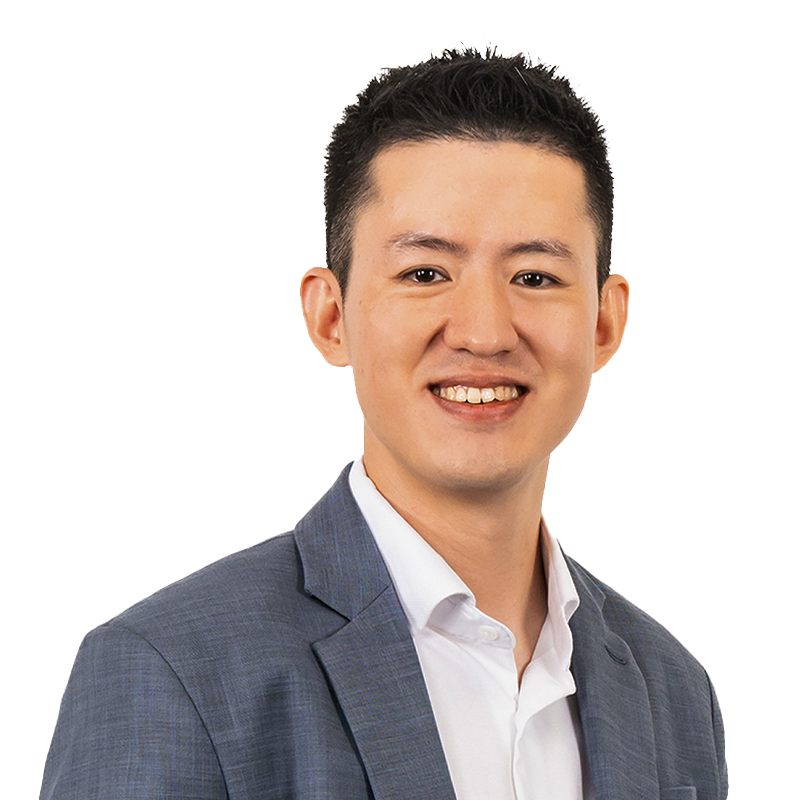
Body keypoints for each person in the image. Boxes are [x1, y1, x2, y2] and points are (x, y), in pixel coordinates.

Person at [39, 46, 727, 800]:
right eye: (425, 273)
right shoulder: (170, 671)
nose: (484, 332)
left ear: (604, 322)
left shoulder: (674, 693)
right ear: (331, 316)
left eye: (535, 276)